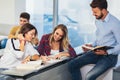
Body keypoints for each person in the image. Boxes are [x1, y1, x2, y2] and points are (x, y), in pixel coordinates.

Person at [68, 0, 120, 80]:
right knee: (72, 64)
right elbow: (100, 37)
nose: (93, 14)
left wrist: (106, 52)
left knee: (89, 76)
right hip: (97, 52)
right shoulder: (97, 20)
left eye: (95, 12)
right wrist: (92, 45)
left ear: (103, 10)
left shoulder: (115, 23)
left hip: (110, 57)